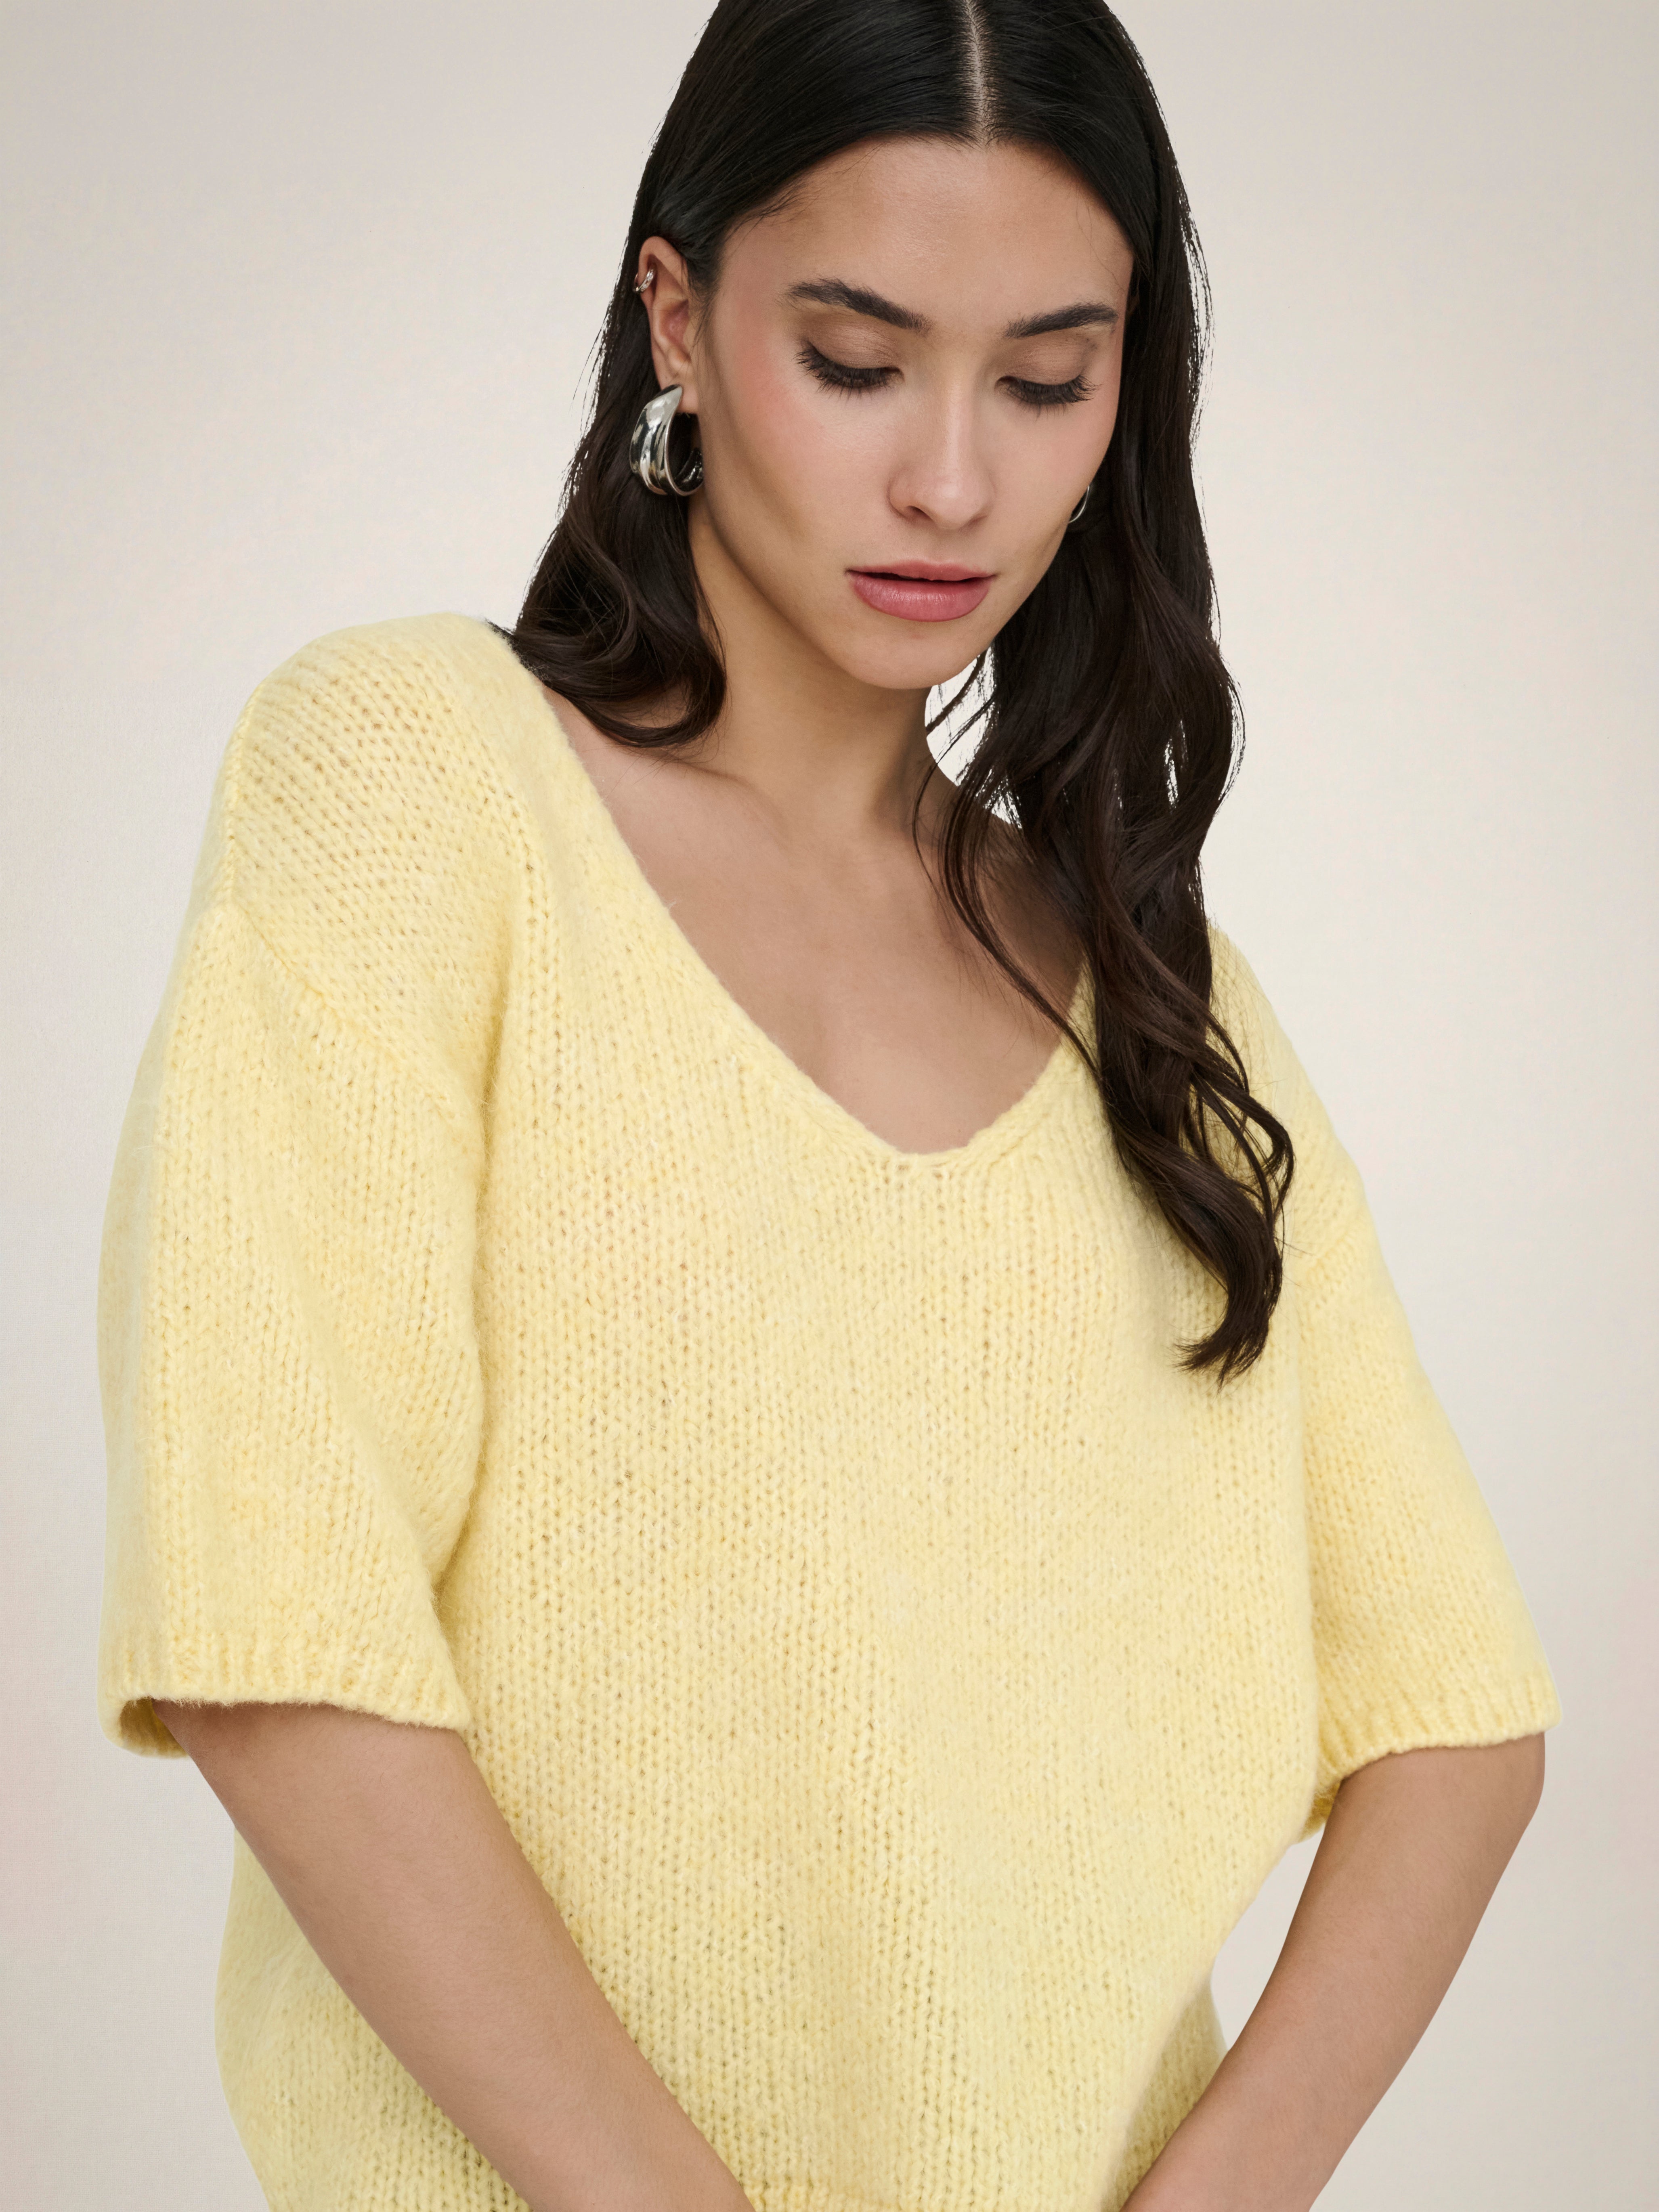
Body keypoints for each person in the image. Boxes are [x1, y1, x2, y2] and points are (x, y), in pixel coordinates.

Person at [94, 4, 1561, 2209]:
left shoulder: (1153, 994)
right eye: (858, 361)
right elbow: (278, 1634)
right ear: (678, 319)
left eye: (1046, 382)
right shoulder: (413, 784)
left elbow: (1457, 1713)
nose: (952, 480)